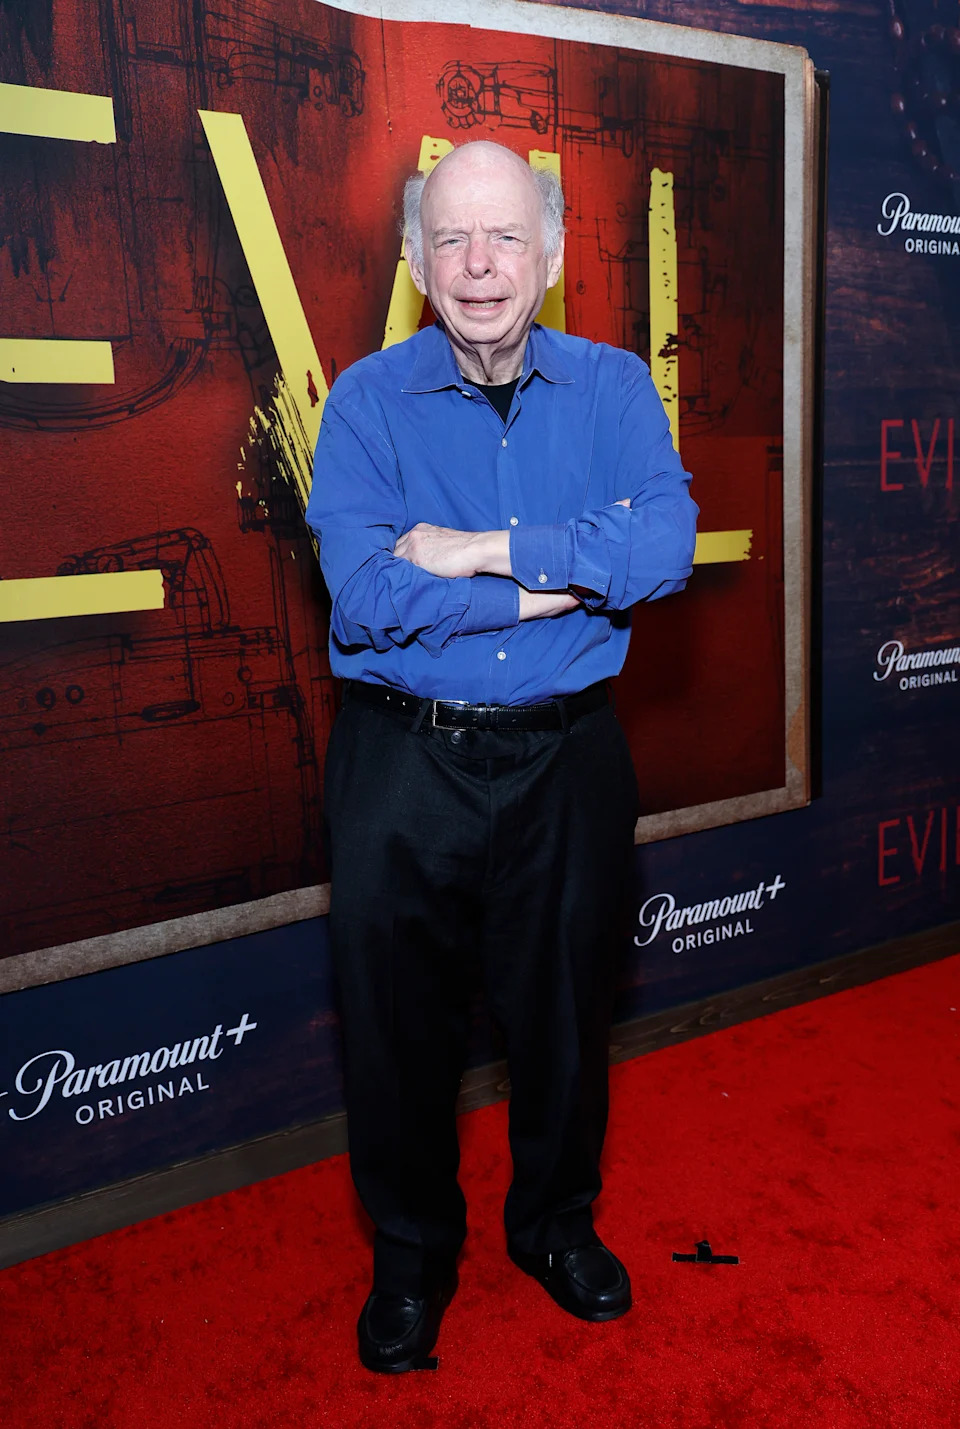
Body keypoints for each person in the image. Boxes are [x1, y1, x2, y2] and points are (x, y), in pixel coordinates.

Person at [305, 140, 697, 1374]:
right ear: (419, 261)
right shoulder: (366, 401)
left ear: (556, 254)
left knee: (568, 1021)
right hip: (401, 764)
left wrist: (477, 554)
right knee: (396, 1032)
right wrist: (567, 582)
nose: (482, 267)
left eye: (508, 238)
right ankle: (413, 1260)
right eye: (456, 242)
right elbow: (366, 599)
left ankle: (555, 1229)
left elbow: (668, 546)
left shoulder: (617, 387)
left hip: (567, 762)